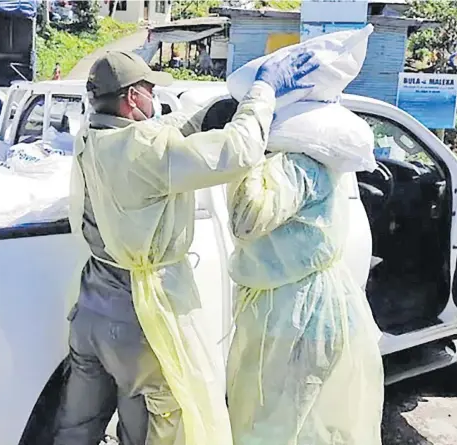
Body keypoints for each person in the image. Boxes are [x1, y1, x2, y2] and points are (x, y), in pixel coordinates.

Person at [53, 49, 318, 445]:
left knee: (76, 426)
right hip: (136, 317)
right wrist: (262, 91)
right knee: (153, 426)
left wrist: (205, 114)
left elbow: (164, 134)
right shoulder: (146, 150)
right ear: (131, 99)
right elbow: (237, 152)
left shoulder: (92, 135)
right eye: (147, 90)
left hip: (91, 305)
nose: (153, 97)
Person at [225, 149, 385, 442]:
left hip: (302, 315)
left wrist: (248, 148)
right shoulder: (303, 164)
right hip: (298, 310)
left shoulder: (296, 167)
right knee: (299, 419)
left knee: (285, 420)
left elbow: (246, 219)